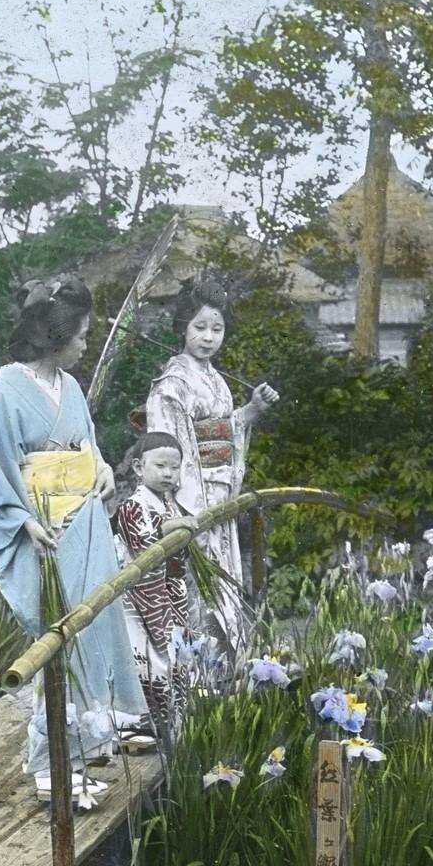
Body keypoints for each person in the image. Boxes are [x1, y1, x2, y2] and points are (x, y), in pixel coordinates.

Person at [0, 274, 149, 800]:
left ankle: (82, 752)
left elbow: (85, 449)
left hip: (85, 525)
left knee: (91, 629)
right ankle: (50, 764)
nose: (87, 344)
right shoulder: (5, 393)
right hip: (42, 530)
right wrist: (20, 521)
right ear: (56, 337)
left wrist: (105, 469)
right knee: (59, 639)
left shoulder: (69, 388)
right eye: (83, 336)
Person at [145, 279, 279, 654]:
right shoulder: (172, 384)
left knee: (223, 582)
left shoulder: (216, 381)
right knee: (197, 586)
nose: (208, 337)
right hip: (188, 499)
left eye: (216, 329)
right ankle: (197, 674)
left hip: (219, 495)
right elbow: (169, 450)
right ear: (183, 327)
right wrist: (185, 503)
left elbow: (225, 429)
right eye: (199, 327)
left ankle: (222, 670)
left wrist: (250, 411)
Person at [114, 431, 190, 741]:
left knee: (175, 656)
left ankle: (175, 724)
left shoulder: (169, 503)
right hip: (143, 597)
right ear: (137, 467)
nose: (168, 473)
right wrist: (172, 527)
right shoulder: (133, 506)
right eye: (160, 466)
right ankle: (145, 724)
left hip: (170, 591)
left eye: (174, 467)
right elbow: (144, 549)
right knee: (148, 659)